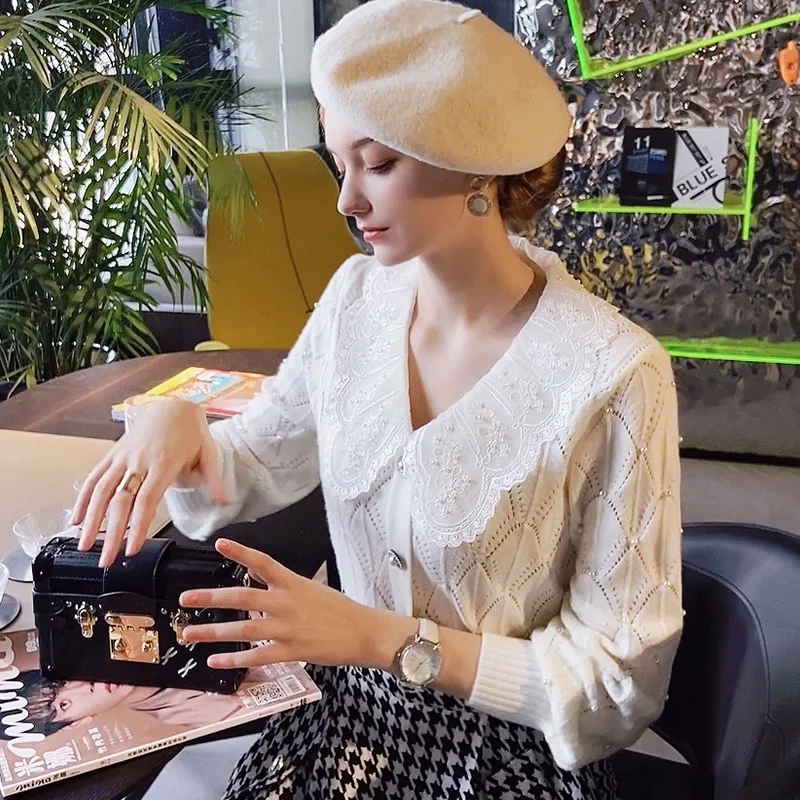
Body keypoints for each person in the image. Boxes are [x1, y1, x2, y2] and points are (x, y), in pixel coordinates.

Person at [72, 1, 684, 797]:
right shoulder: (357, 300)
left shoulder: (614, 373)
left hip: (509, 759)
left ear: (473, 163)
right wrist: (180, 422)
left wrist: (382, 639)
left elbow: (616, 680)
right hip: (347, 723)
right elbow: (253, 462)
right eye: (341, 163)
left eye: (379, 165)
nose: (346, 201)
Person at [5, 672, 244, 736]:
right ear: (77, 723)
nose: (86, 686)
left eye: (64, 682)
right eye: (65, 705)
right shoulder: (191, 713)